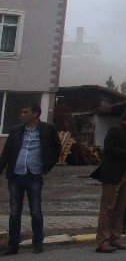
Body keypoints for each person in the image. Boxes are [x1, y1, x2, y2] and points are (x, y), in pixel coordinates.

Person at [0, 102, 60, 255]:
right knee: (14, 212)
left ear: (35, 114)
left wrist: (47, 167)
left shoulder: (47, 129)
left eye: (25, 112)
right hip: (16, 176)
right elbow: (6, 153)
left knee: (35, 211)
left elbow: (56, 149)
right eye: (22, 112)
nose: (22, 114)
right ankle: (13, 245)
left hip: (34, 176)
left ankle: (38, 243)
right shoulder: (16, 130)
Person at [95, 105, 126, 253]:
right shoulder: (115, 131)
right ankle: (102, 241)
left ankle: (115, 238)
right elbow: (108, 149)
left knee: (120, 208)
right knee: (107, 208)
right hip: (113, 174)